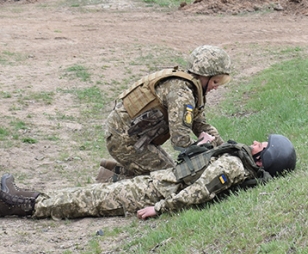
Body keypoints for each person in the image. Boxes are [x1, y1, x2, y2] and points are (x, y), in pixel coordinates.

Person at [0, 134, 297, 220]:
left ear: (263, 158)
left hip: (154, 193)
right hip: (158, 183)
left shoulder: (234, 168)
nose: (257, 142)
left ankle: (14, 204)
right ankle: (25, 196)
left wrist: (159, 208)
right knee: (91, 192)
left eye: (264, 145)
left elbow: (200, 192)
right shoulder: (236, 160)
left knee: (89, 199)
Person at [97, 45, 233, 183]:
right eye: (216, 81)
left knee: (166, 172)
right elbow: (180, 142)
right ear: (204, 76)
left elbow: (201, 125)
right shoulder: (182, 95)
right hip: (124, 139)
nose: (216, 87)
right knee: (170, 178)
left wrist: (226, 150)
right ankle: (108, 185)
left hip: (132, 136)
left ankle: (109, 177)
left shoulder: (189, 88)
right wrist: (205, 149)